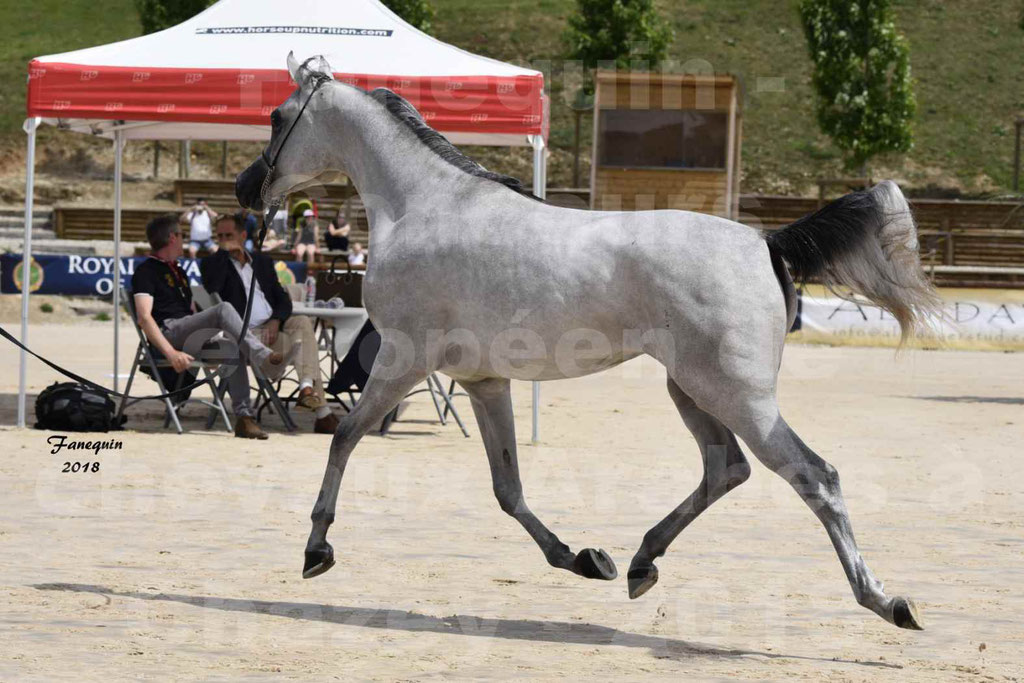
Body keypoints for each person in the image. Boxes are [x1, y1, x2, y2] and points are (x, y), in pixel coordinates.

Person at [131, 213, 283, 439]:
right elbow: (144, 318)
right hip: (170, 333)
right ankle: (262, 355)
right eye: (182, 235)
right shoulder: (146, 271)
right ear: (172, 238)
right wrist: (171, 353)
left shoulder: (178, 270)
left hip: (189, 335)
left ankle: (244, 418)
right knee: (223, 309)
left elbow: (191, 313)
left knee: (235, 343)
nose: (185, 240)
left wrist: (211, 340)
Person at [202, 214, 339, 434]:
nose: (224, 239)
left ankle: (305, 387)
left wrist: (276, 320)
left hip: (272, 329)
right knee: (304, 346)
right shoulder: (213, 264)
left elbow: (282, 299)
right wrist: (225, 254)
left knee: (302, 324)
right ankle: (322, 413)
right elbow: (213, 286)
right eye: (220, 236)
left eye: (229, 235)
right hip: (244, 336)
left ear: (243, 235)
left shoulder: (262, 262)